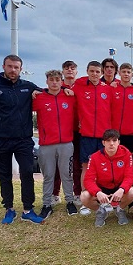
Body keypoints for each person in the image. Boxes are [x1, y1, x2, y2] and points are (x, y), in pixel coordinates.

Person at [0, 54, 43, 224]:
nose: (13, 70)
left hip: (23, 140)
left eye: (16, 67)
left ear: (21, 69)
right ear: (4, 67)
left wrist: (44, 91)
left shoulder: (28, 87)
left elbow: (48, 92)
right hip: (1, 141)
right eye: (10, 66)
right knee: (5, 176)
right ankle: (9, 209)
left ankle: (28, 210)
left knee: (27, 173)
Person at [33, 69, 77, 219]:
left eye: (57, 80)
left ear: (61, 81)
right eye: (51, 80)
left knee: (67, 175)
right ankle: (47, 204)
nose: (54, 83)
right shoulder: (39, 97)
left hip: (66, 144)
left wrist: (66, 89)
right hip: (46, 145)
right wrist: (34, 92)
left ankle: (70, 201)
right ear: (47, 81)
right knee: (48, 176)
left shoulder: (69, 96)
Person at [72, 61, 113, 214]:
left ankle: (104, 200)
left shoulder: (108, 89)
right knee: (86, 167)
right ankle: (85, 200)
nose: (95, 74)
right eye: (92, 71)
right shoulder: (79, 86)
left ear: (101, 72)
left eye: (97, 71)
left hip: (104, 136)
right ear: (87, 71)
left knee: (104, 168)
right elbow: (66, 87)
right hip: (87, 135)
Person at [80, 129, 133, 227]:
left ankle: (120, 210)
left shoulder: (127, 154)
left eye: (114, 140)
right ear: (103, 143)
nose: (111, 144)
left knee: (132, 192)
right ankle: (100, 211)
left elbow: (130, 176)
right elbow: (88, 180)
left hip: (118, 187)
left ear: (118, 142)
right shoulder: (95, 157)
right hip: (102, 189)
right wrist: (97, 192)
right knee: (84, 196)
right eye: (108, 141)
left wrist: (122, 189)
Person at [51, 60, 83, 210]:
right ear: (62, 71)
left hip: (79, 131)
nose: (70, 70)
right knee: (58, 164)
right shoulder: (57, 86)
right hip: (62, 131)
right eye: (66, 68)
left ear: (77, 71)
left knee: (77, 164)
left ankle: (78, 193)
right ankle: (54, 193)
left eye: (72, 68)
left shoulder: (82, 86)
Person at [111, 63, 133, 152]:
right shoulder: (112, 89)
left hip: (132, 133)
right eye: (124, 72)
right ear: (119, 73)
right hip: (115, 132)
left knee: (131, 157)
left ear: (132, 75)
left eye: (128, 72)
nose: (126, 74)